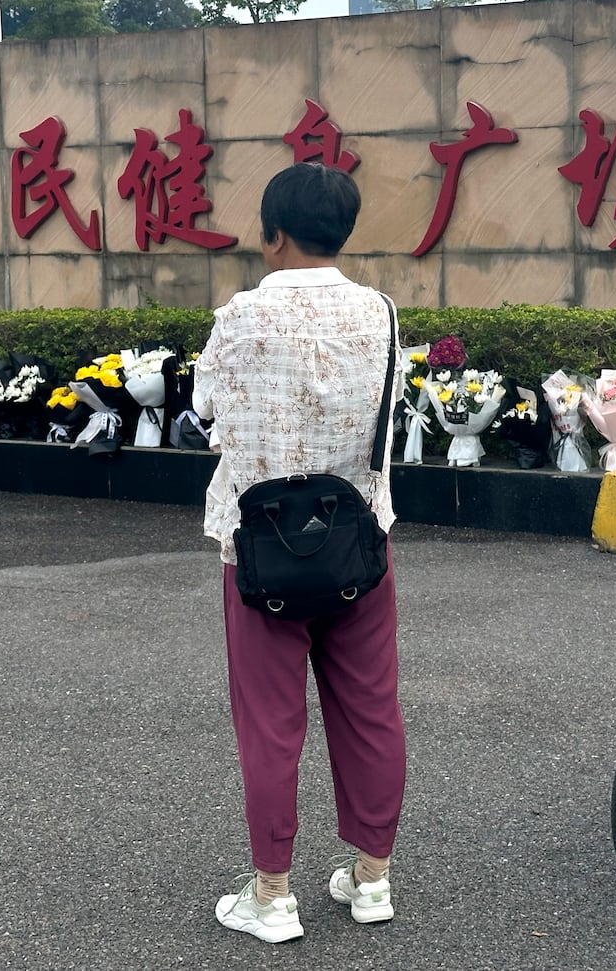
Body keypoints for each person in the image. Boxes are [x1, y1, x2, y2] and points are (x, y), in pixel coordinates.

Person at [192, 162, 405, 944]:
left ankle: (272, 893)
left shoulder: (240, 316)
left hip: (258, 549)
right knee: (371, 707)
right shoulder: (380, 313)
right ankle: (372, 879)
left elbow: (206, 409)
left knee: (272, 722)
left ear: (271, 231)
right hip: (358, 538)